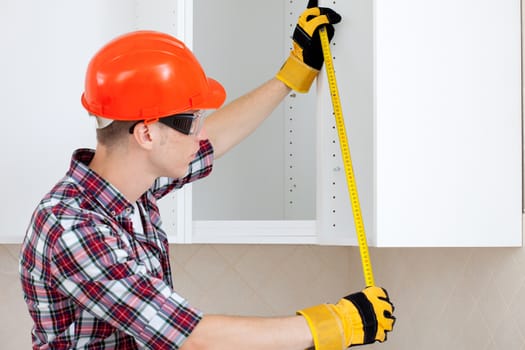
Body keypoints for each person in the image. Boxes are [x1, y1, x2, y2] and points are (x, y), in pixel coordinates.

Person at [19, 1, 395, 349]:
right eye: (192, 121)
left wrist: (291, 75)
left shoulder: (133, 189)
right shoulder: (71, 227)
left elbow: (215, 139)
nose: (200, 134)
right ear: (147, 133)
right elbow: (190, 337)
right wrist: (336, 324)